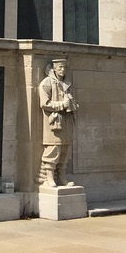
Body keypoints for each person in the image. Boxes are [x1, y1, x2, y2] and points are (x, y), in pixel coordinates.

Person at [38, 57, 78, 187]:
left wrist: (71, 104)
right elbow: (44, 103)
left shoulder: (67, 84)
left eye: (64, 67)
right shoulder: (46, 83)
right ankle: (49, 178)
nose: (62, 70)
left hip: (66, 122)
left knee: (65, 150)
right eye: (60, 67)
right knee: (53, 149)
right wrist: (61, 104)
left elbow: (71, 104)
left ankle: (62, 177)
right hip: (53, 124)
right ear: (54, 68)